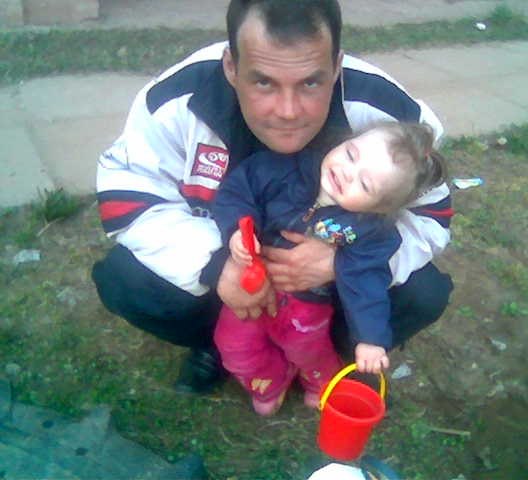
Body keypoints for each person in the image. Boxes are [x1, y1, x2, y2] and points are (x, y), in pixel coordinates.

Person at [91, 0, 454, 394]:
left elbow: (432, 217)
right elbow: (127, 198)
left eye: (310, 83)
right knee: (125, 280)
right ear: (231, 66)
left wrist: (341, 263)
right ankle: (219, 344)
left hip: (326, 290)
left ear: (336, 67)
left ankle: (321, 353)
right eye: (263, 82)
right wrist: (215, 264)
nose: (288, 111)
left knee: (424, 293)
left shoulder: (392, 116)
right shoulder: (174, 100)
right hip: (233, 275)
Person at [213, 121, 448, 416]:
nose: (347, 172)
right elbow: (237, 192)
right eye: (351, 154)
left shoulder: (369, 231)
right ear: (344, 141)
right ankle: (269, 380)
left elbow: (367, 284)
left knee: (307, 350)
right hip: (252, 290)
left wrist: (371, 339)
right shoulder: (281, 168)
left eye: (365, 184)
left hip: (307, 306)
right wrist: (236, 231)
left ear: (378, 208)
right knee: (234, 344)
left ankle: (320, 381)